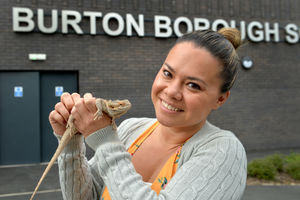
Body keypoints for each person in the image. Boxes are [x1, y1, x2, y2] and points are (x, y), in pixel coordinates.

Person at [49, 27, 247, 200]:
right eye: (168, 74)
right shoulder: (130, 129)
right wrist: (72, 143)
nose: (171, 92)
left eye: (193, 85)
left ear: (220, 99)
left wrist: (105, 143)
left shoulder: (224, 150)